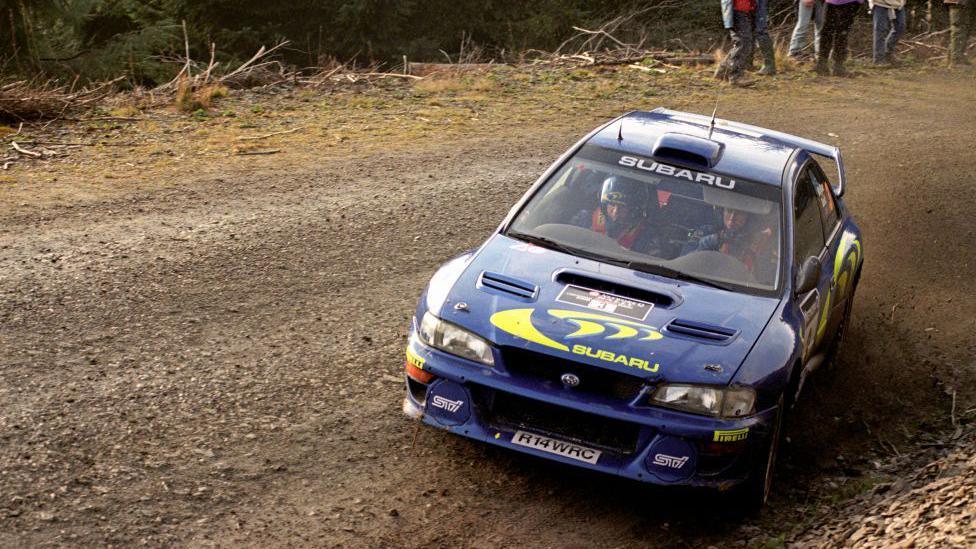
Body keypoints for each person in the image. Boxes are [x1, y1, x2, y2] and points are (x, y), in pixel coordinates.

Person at [575, 176, 658, 253]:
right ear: (604, 204)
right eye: (612, 204)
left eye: (622, 206)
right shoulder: (585, 219)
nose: (615, 211)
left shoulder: (646, 234)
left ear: (633, 209)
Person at [696, 207, 776, 281]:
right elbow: (692, 266)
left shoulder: (760, 244)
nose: (732, 218)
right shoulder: (707, 237)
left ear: (748, 217)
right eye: (729, 210)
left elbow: (764, 280)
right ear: (722, 212)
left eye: (740, 213)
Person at [717, 0, 776, 86]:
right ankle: (735, 76)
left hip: (747, 10)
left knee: (743, 42)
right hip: (737, 10)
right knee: (743, 42)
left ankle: (722, 71)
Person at [816, 0, 864, 76]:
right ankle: (821, 64)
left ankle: (838, 66)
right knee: (825, 31)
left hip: (850, 2)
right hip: (831, 2)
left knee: (842, 32)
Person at [869, 0, 906, 65]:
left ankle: (888, 52)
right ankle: (879, 60)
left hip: (898, 3)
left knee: (900, 27)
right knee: (880, 30)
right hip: (880, 3)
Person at [946, 0, 976, 66]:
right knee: (959, 29)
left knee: (965, 29)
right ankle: (956, 61)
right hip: (959, 2)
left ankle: (957, 58)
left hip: (963, 3)